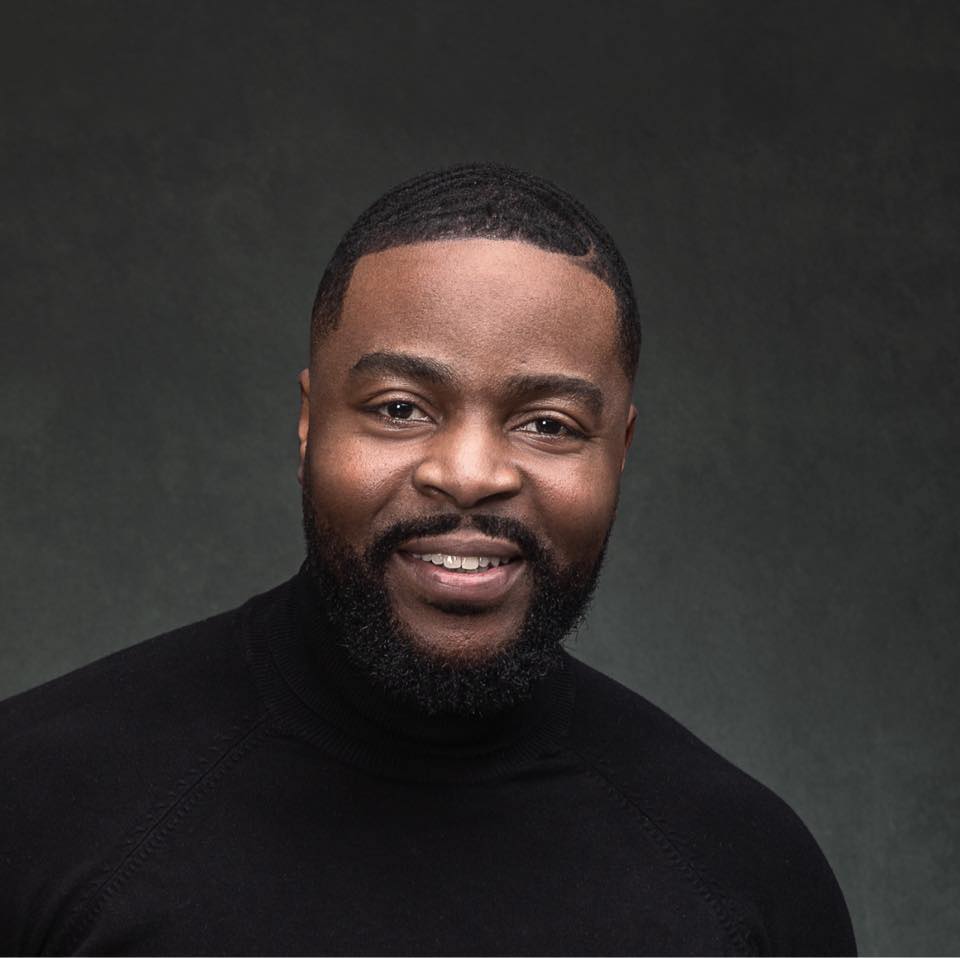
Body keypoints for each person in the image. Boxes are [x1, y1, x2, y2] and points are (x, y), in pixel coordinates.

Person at [0, 164, 856, 955]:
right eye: (401, 407)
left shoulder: (747, 878)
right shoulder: (35, 803)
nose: (471, 475)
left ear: (620, 450)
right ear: (310, 422)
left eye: (549, 424)